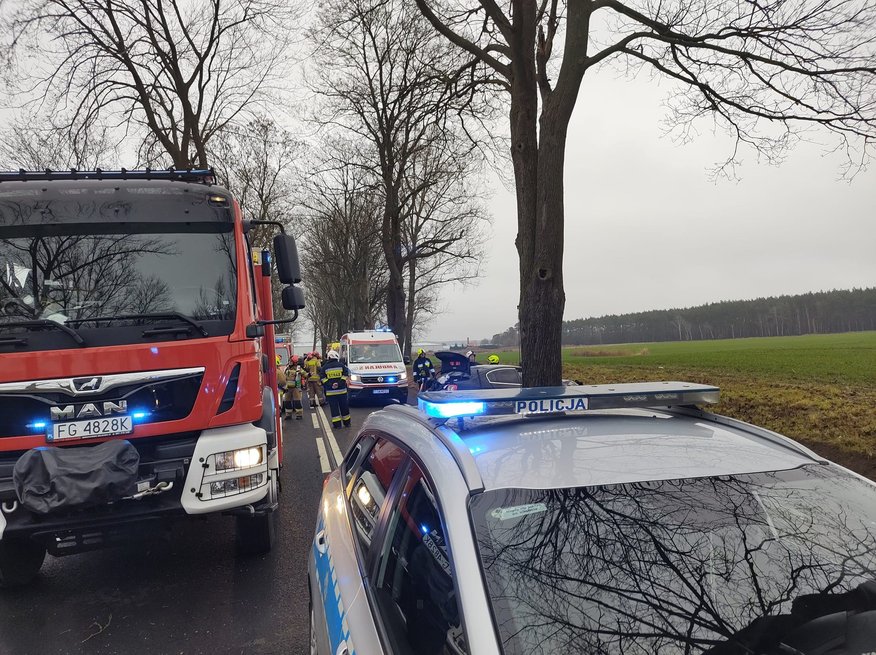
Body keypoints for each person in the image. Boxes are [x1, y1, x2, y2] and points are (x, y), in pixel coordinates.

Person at [321, 350, 351, 429]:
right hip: (342, 391)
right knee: (344, 407)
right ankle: (347, 423)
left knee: (334, 409)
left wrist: (331, 385)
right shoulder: (341, 366)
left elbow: (323, 379)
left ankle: (337, 425)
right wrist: (339, 383)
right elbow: (345, 375)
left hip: (331, 393)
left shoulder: (324, 367)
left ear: (329, 357)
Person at [284, 354, 305, 420]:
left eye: (291, 361)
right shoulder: (287, 368)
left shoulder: (298, 368)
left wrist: (309, 374)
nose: (290, 362)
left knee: (297, 402)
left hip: (296, 387)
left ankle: (299, 415)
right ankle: (288, 415)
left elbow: (304, 373)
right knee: (287, 402)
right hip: (288, 387)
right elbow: (284, 376)